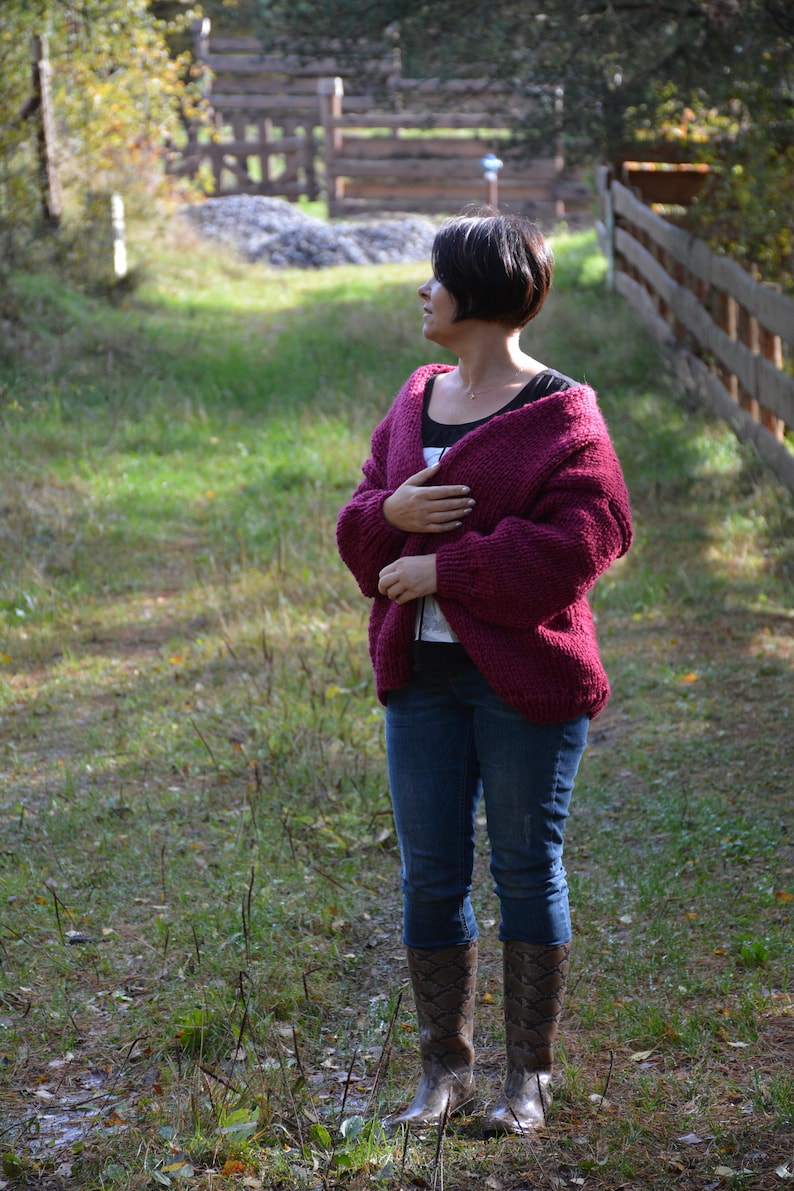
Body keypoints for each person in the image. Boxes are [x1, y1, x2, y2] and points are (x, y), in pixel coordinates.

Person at [336, 210, 632, 1136]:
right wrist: (394, 509)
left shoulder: (562, 414)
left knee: (523, 867)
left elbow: (589, 537)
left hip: (523, 680)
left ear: (481, 292)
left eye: (436, 277)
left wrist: (445, 567)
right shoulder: (414, 397)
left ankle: (527, 1080)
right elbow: (356, 526)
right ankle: (444, 1071)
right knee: (430, 875)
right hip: (417, 679)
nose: (423, 291)